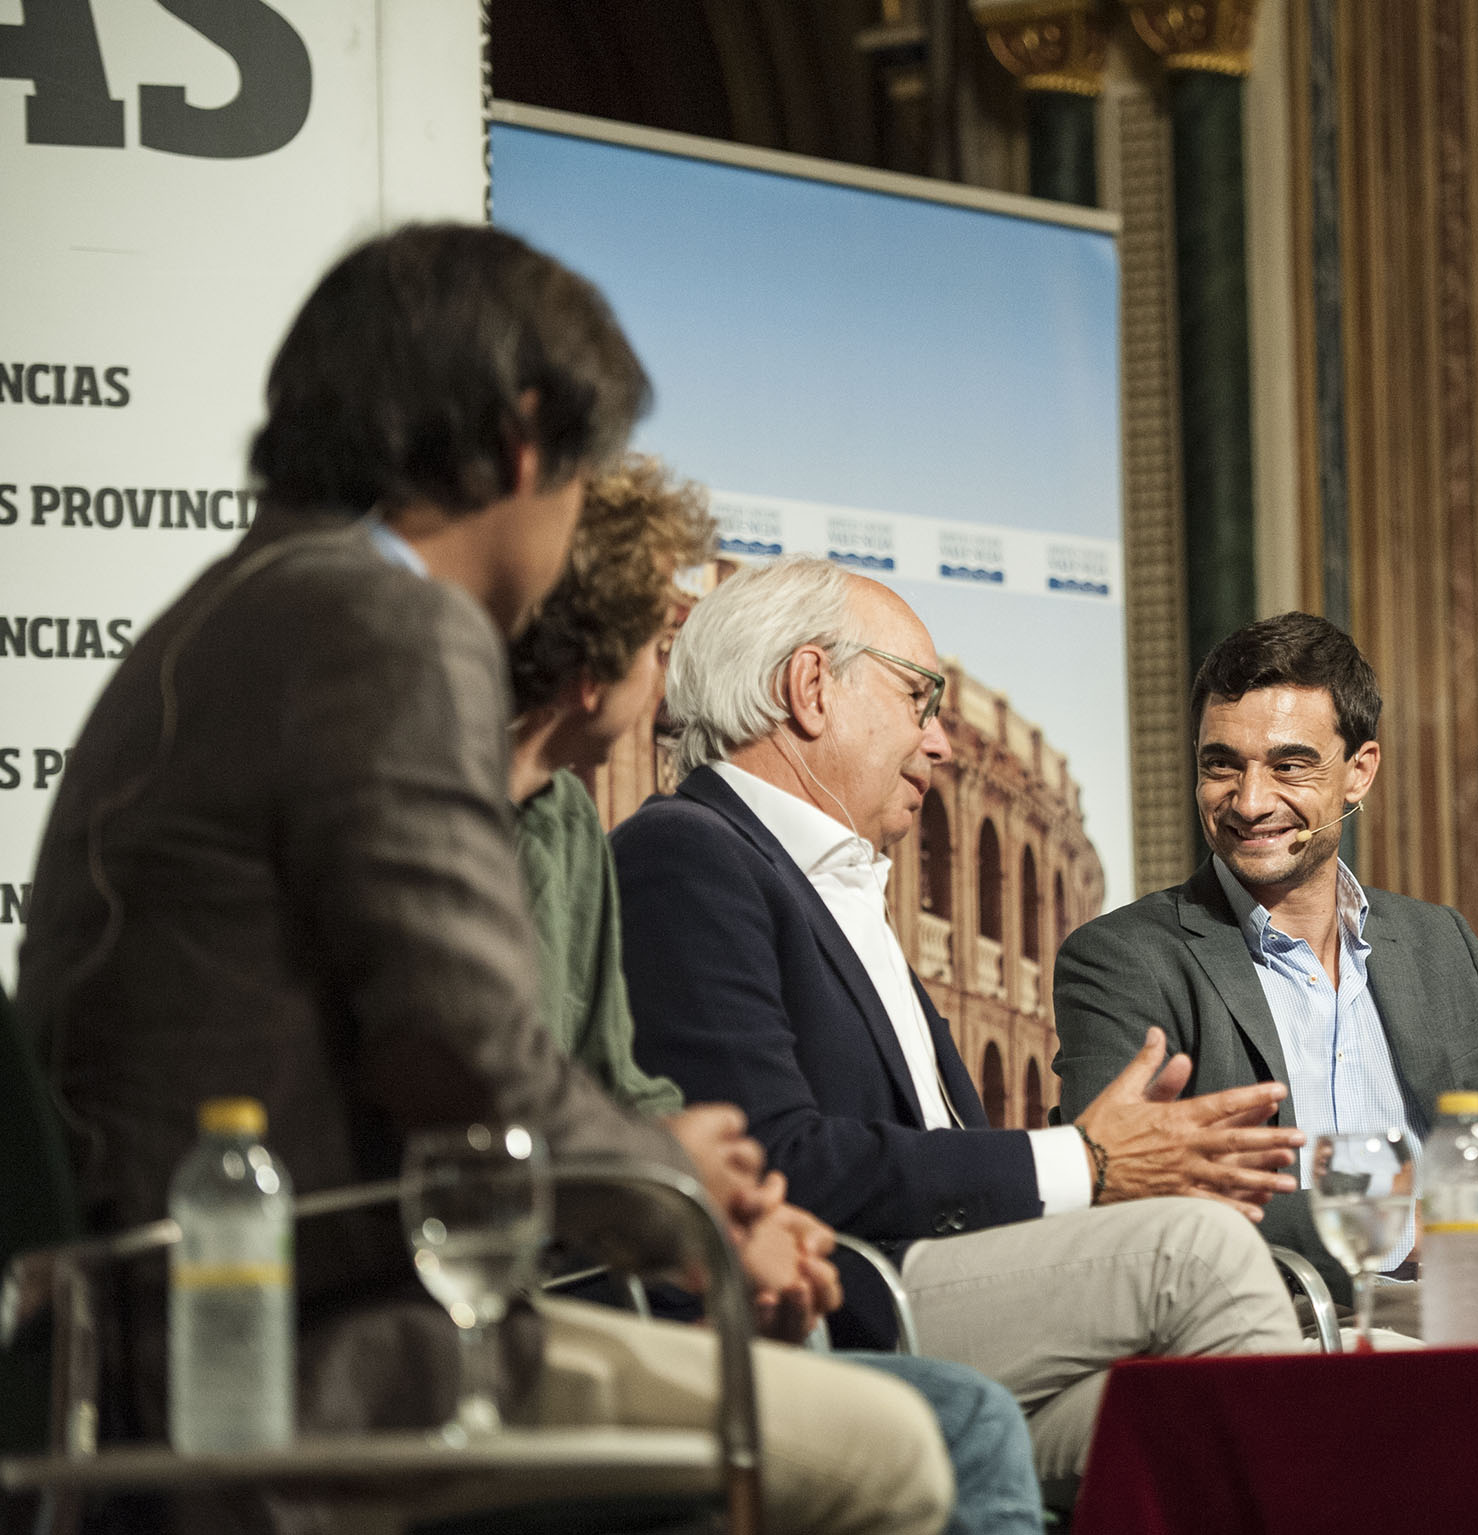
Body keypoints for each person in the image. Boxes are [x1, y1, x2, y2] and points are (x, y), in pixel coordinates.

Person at [14, 225, 955, 1533]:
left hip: (155, 1334)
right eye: (581, 478)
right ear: (524, 440)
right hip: (296, 1355)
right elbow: (461, 1048)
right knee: (891, 1447)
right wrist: (672, 1189)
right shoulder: (388, 623)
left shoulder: (232, 604)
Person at [610, 554, 1306, 1491]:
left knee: (1191, 1405)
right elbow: (768, 1160)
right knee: (1202, 1253)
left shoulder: (839, 886)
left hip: (947, 1300)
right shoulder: (685, 851)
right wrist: (1086, 1163)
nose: (940, 743)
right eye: (918, 699)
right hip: (851, 1300)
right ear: (812, 688)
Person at [506, 456, 1043, 1535]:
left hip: (667, 1273)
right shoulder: (650, 843)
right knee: (973, 1414)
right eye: (660, 647)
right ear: (586, 652)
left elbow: (623, 1081)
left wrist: (734, 1201)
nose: (672, 692)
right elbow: (491, 1086)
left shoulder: (562, 819)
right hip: (507, 1311)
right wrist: (706, 1194)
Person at [1053, 611, 1478, 1333]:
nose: (1249, 800)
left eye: (1289, 765)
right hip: (1274, 1334)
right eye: (1222, 764)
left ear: (1359, 772)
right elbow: (1130, 1192)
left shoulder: (1438, 944)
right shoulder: (1122, 958)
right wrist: (1422, 1229)